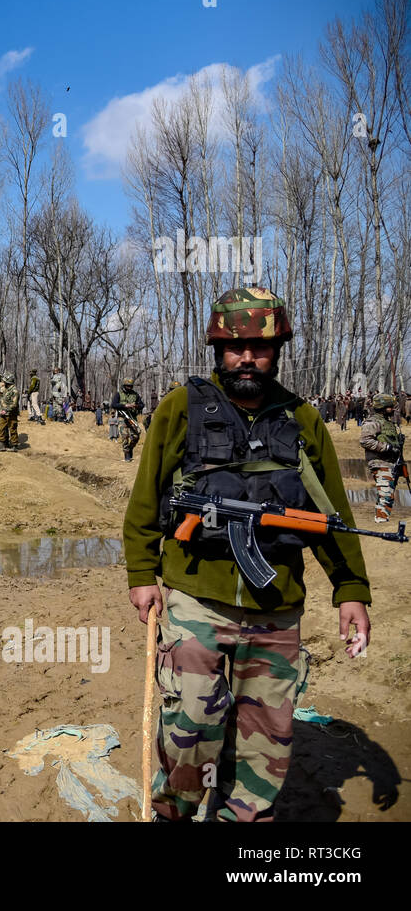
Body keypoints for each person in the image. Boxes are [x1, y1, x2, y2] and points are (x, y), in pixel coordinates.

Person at [124, 287, 371, 823]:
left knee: (267, 747)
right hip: (196, 602)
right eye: (236, 348)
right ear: (218, 347)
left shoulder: (302, 420)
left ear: (277, 348)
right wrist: (143, 575)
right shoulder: (181, 407)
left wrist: (350, 589)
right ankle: (174, 815)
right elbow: (146, 499)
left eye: (260, 348)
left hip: (276, 610)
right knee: (189, 732)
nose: (247, 359)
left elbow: (330, 516)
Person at [359, 393, 403, 524]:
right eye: (390, 407)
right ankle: (381, 520)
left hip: (390, 462)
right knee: (386, 493)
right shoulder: (373, 422)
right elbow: (365, 441)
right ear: (383, 407)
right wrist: (387, 447)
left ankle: (381, 518)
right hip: (379, 461)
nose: (392, 409)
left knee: (387, 492)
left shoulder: (387, 422)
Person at [112, 378, 142, 462]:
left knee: (136, 435)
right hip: (122, 417)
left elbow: (141, 405)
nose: (129, 387)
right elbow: (114, 404)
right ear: (124, 386)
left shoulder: (135, 395)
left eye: (130, 386)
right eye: (127, 386)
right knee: (125, 436)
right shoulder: (119, 394)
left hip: (132, 418)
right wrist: (125, 406)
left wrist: (135, 405)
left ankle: (130, 448)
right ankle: (126, 454)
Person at [0, 372, 19, 451]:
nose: (3, 382)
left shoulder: (15, 391)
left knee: (12, 428)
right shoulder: (4, 388)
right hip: (2, 413)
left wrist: (6, 410)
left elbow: (14, 404)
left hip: (11, 413)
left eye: (4, 381)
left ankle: (14, 445)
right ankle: (2, 444)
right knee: (0, 427)